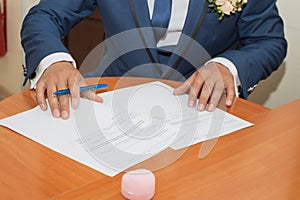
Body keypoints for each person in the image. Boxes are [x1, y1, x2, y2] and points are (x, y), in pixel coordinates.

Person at [21, 0, 287, 120]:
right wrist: (54, 61)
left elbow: (269, 41)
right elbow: (44, 16)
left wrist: (228, 67)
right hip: (114, 99)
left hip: (201, 109)